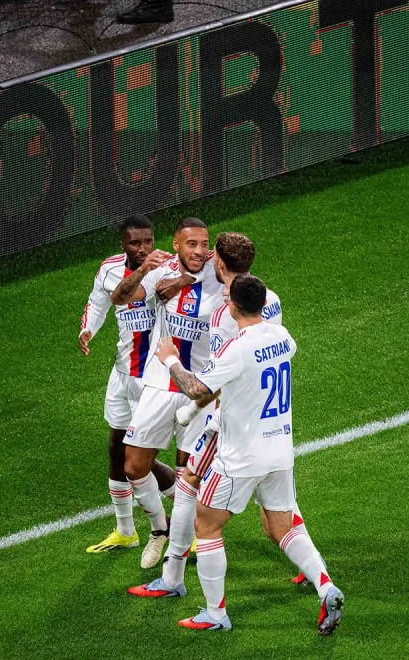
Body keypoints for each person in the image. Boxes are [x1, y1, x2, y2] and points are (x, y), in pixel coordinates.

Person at [127, 232, 317, 597]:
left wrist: (178, 376)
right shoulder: (268, 298)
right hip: (270, 417)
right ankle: (314, 571)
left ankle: (176, 581)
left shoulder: (223, 314)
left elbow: (211, 382)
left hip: (229, 418)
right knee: (279, 504)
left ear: (218, 261)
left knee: (190, 489)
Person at [153, 274, 344, 635]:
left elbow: (197, 389)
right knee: (282, 527)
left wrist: (170, 360)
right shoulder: (282, 336)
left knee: (206, 525)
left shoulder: (235, 349)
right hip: (280, 452)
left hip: (240, 457)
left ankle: (215, 614)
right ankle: (325, 587)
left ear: (232, 306)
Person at [109, 218, 224, 568]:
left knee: (190, 477)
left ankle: (184, 548)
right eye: (191, 244)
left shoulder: (218, 272)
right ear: (176, 244)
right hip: (159, 384)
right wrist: (144, 269)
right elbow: (120, 297)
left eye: (204, 243)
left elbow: (241, 259)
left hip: (199, 390)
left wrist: (187, 280)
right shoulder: (160, 268)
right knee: (133, 466)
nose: (199, 250)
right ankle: (160, 529)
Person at [80, 215, 178, 553]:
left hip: (151, 377)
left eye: (148, 241)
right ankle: (125, 530)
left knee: (139, 460)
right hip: (122, 371)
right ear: (123, 244)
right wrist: (87, 329)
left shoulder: (167, 268)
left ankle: (185, 522)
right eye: (135, 243)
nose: (143, 248)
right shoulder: (110, 269)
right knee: (115, 446)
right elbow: (99, 302)